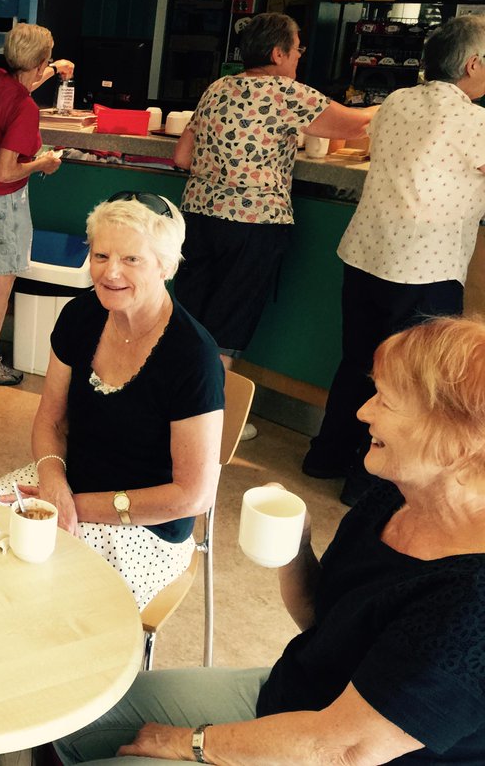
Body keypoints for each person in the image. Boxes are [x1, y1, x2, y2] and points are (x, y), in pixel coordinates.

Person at [53, 315, 485, 765]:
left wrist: (187, 742)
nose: (363, 412)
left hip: (325, 749)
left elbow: (343, 749)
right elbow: (323, 620)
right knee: (67, 716)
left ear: (455, 440)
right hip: (293, 702)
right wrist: (294, 547)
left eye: (387, 403)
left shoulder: (473, 599)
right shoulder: (396, 494)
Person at [0, 192, 224, 610]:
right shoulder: (79, 316)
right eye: (101, 255)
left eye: (131, 259)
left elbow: (192, 495)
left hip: (145, 526)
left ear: (166, 264)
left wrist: (75, 506)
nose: (111, 272)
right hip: (65, 490)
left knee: (46, 604)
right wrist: (52, 483)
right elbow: (50, 422)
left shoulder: (193, 355)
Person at [302, 14, 485, 507]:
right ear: (472, 64)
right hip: (424, 268)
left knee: (358, 361)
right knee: (407, 381)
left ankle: (325, 457)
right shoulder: (474, 122)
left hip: (365, 255)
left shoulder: (396, 101)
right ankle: (368, 484)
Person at [172, 12, 375, 438]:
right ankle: (209, 422)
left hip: (198, 218)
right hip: (254, 225)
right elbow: (357, 125)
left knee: (188, 317)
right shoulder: (287, 93)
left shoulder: (217, 88)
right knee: (229, 321)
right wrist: (398, 103)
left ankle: (173, 406)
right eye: (297, 47)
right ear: (278, 52)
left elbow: (181, 157)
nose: (300, 54)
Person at [0, 21, 72, 385]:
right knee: (2, 279)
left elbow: (25, 83)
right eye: (47, 61)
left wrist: (55, 70)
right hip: (0, 199)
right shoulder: (25, 109)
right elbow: (7, 171)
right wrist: (44, 163)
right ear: (37, 63)